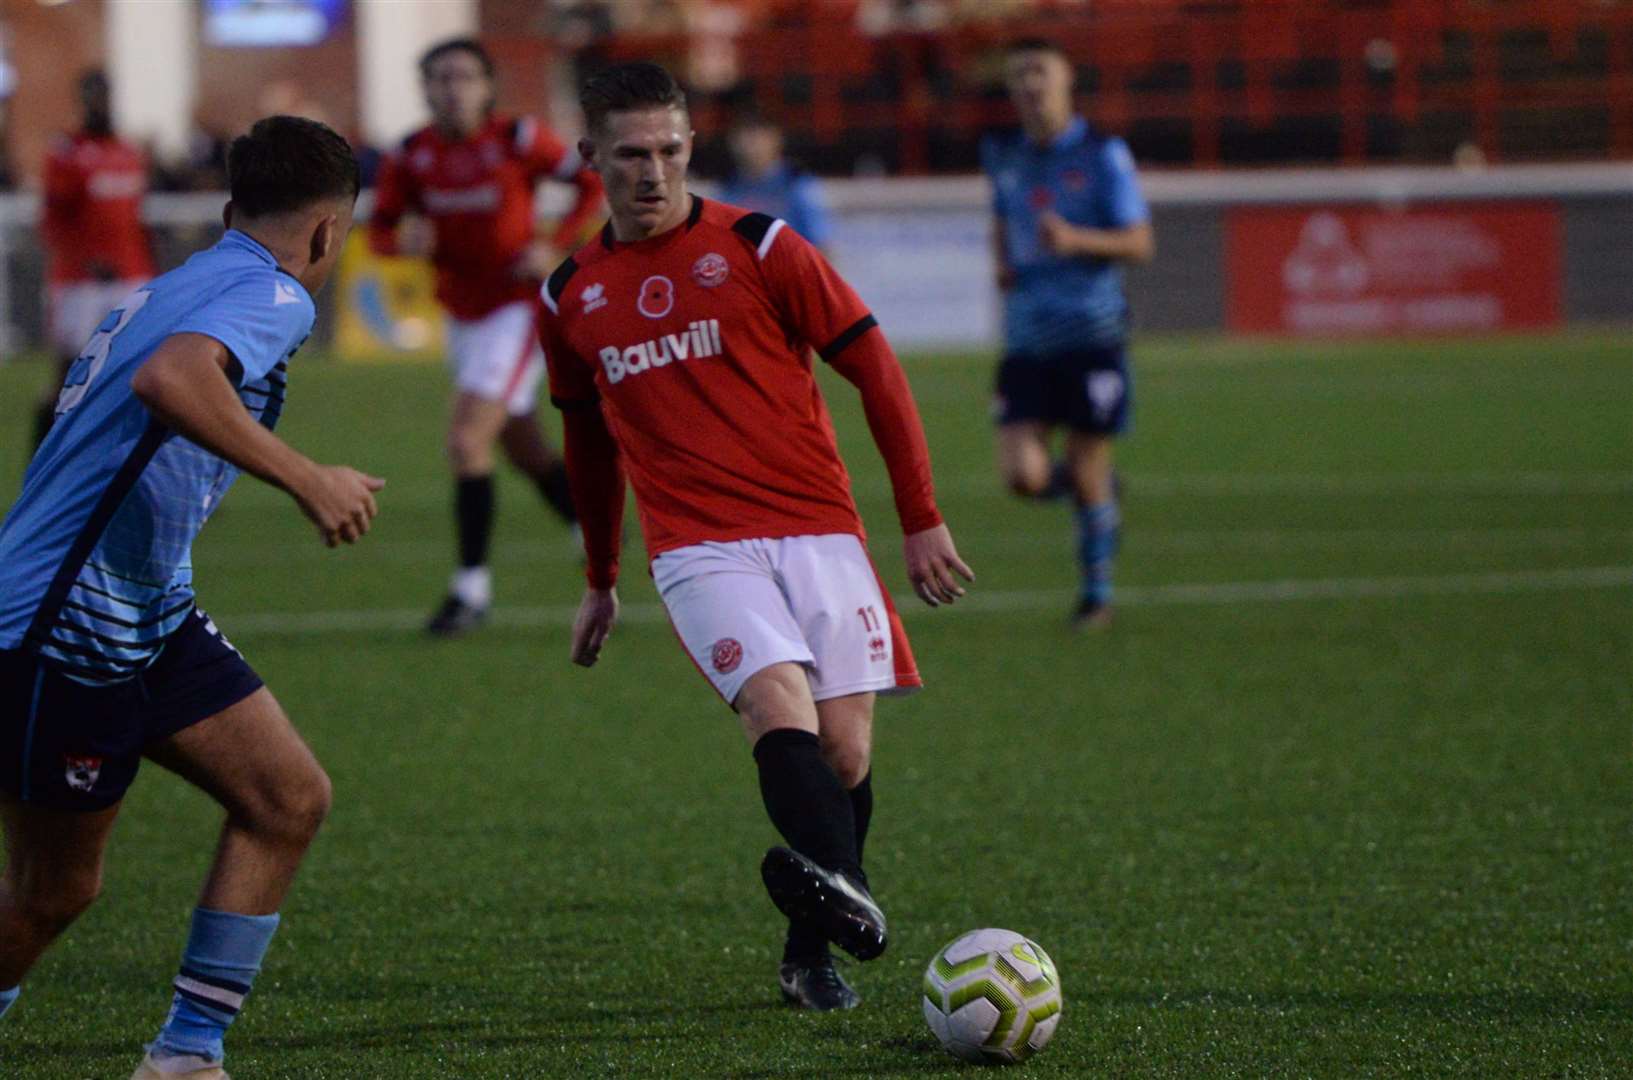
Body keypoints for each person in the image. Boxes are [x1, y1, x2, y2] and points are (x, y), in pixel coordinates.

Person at [539, 62, 973, 1012]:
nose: (651, 173)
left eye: (668, 151)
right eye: (629, 156)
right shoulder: (569, 294)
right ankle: (842, 919)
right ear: (590, 159)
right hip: (698, 549)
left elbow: (877, 369)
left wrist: (919, 518)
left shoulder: (763, 245)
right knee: (780, 713)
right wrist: (602, 576)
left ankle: (808, 946)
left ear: (691, 147)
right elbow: (586, 442)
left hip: (820, 529)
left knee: (847, 757)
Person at [0, 116, 380, 1080]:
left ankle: (187, 1056)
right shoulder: (275, 291)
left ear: (226, 210)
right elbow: (177, 380)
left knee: (286, 797)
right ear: (329, 232)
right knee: (53, 893)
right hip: (65, 621)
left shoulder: (175, 282)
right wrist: (307, 477)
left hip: (144, 608)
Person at [369, 37, 605, 636]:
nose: (452, 88)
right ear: (424, 88)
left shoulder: (517, 139)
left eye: (465, 76)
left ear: (487, 87)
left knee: (466, 442)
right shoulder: (411, 155)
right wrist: (402, 245)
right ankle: (597, 537)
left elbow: (591, 183)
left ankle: (470, 590)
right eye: (440, 77)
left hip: (516, 310)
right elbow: (379, 231)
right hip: (462, 314)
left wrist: (557, 243)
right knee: (523, 448)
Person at [980, 37, 1153, 629]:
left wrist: (1077, 240)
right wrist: (1002, 260)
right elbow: (1002, 216)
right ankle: (1096, 491)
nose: (1030, 84)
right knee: (1021, 476)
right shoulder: (1002, 153)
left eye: (1040, 72)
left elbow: (1139, 242)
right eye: (1019, 74)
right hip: (1027, 339)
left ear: (1066, 80)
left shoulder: (1103, 154)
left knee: (1084, 467)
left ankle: (1096, 595)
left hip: (1090, 335)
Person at [33, 68, 155, 454]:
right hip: (79, 282)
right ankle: (45, 463)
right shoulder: (66, 154)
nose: (99, 103)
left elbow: (136, 220)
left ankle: (149, 471)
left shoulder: (128, 153)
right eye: (92, 95)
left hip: (130, 276)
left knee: (145, 371)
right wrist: (85, 260)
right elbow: (52, 221)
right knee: (70, 375)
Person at [717, 113, 833, 253]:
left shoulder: (797, 184)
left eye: (759, 137)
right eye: (746, 137)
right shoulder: (729, 187)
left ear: (776, 139)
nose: (752, 146)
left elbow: (822, 244)